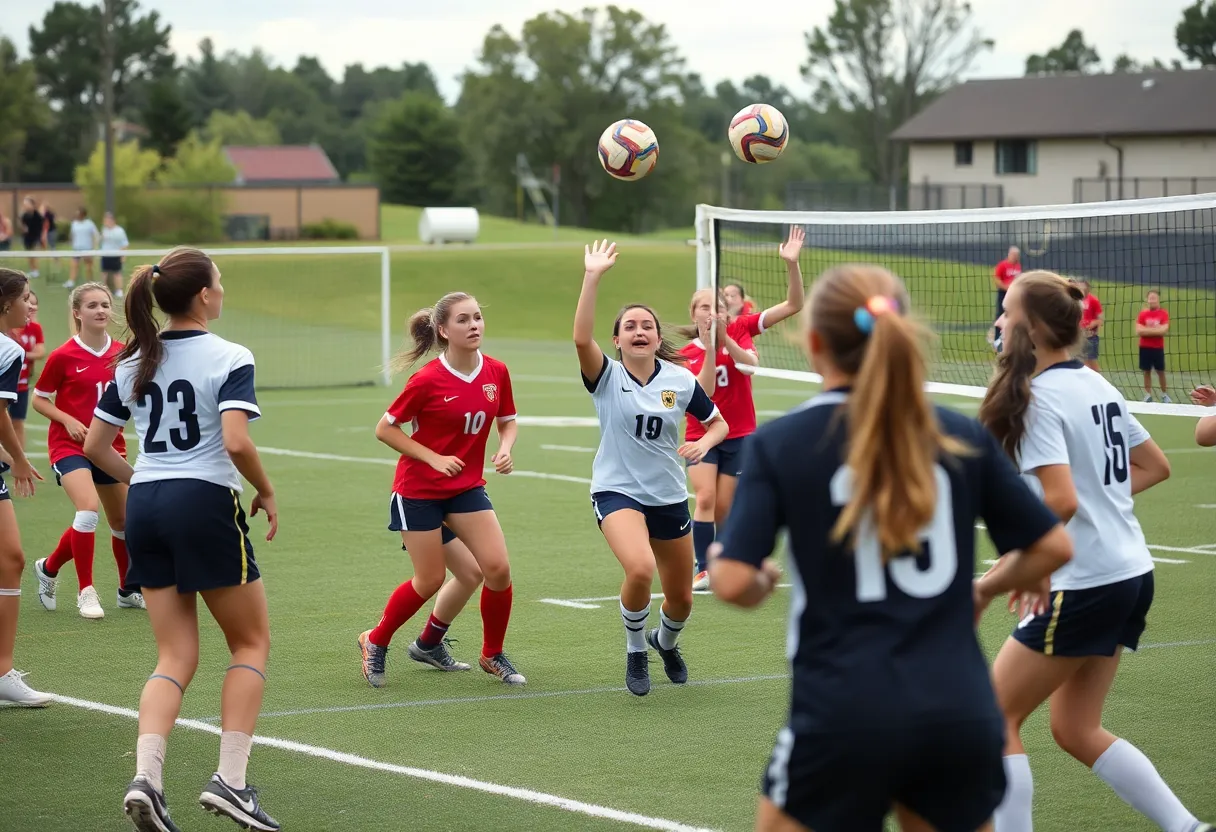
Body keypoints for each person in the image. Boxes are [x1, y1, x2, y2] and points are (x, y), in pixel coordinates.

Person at [709, 263, 1073, 832]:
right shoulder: (957, 432)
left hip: (843, 711)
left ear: (813, 343)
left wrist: (759, 577)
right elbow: (1052, 546)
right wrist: (987, 586)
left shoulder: (784, 441)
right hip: (957, 709)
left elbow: (732, 583)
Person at [977, 271, 1211, 832]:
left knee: (993, 719)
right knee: (1075, 728)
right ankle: (1187, 827)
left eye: (1007, 311)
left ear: (1030, 328)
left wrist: (995, 579)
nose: (999, 321)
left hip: (1085, 580)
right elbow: (1155, 465)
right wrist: (1095, 498)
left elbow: (1056, 503)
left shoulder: (1039, 398)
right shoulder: (1097, 385)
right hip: (1129, 572)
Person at [83, 247, 280, 832]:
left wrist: (145, 482)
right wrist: (266, 491)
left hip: (145, 504)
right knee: (250, 644)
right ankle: (233, 783)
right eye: (219, 283)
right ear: (202, 296)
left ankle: (147, 778)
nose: (222, 291)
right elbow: (237, 443)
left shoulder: (131, 359)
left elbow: (96, 447)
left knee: (174, 656)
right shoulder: (231, 354)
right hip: (203, 501)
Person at [575, 240, 729, 697]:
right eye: (630, 326)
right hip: (616, 490)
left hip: (667, 494)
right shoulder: (607, 376)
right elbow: (582, 338)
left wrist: (704, 442)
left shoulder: (680, 381)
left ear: (659, 338)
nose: (639, 331)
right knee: (640, 569)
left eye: (647, 326)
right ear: (618, 339)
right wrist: (593, 275)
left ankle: (665, 642)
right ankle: (635, 651)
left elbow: (718, 423)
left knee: (681, 599)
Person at [358, 291, 524, 689]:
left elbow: (508, 420)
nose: (474, 326)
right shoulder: (427, 379)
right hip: (418, 491)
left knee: (492, 570)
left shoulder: (496, 371)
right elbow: (385, 429)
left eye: (478, 318)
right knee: (430, 578)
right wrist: (432, 457)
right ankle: (374, 641)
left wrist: (504, 449)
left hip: (465, 488)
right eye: (464, 320)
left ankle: (483, 653)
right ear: (443, 331)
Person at [682, 226, 806, 591]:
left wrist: (791, 265)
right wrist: (708, 348)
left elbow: (793, 306)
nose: (711, 311)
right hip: (701, 435)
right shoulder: (685, 353)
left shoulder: (740, 329)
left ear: (728, 309)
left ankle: (725, 554)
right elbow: (700, 393)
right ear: (693, 313)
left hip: (740, 433)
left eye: (717, 306)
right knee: (704, 497)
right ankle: (703, 567)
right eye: (704, 306)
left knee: (725, 507)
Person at [33, 283, 142, 619]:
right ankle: (86, 592)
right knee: (88, 510)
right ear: (77, 312)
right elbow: (39, 398)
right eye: (92, 305)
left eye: (105, 305)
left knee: (123, 521)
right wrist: (66, 419)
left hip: (110, 447)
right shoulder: (63, 355)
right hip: (69, 447)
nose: (100, 310)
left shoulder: (125, 354)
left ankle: (126, 589)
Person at [0, 267, 52, 708]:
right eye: (25, 298)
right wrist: (18, 458)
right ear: (6, 304)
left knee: (11, 558)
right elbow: (0, 413)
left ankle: (2, 671)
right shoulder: (7, 349)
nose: (30, 304)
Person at [10, 290, 44, 449]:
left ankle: (18, 457)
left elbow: (40, 352)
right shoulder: (7, 326)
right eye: (27, 301)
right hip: (6, 384)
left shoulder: (34, 328)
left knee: (17, 422)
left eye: (34, 304)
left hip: (21, 385)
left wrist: (21, 354)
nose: (32, 307)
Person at [1136, 290, 1170, 403]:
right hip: (1144, 347)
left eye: (1154, 298)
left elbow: (1164, 330)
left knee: (1161, 371)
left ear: (1158, 299)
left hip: (1158, 348)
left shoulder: (1163, 313)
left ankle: (1164, 395)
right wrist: (1156, 330)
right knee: (1146, 371)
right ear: (1147, 300)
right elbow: (1139, 330)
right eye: (1150, 298)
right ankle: (1147, 395)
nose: (1152, 300)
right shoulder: (1143, 314)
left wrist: (1147, 330)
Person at [991, 245, 1021, 344]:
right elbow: (996, 279)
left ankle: (1010, 339)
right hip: (1004, 294)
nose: (1015, 257)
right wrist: (1006, 287)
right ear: (1009, 254)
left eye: (1017, 255)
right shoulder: (1002, 265)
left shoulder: (1018, 266)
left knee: (1014, 316)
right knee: (1000, 315)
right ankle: (997, 340)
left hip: (1014, 295)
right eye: (1014, 254)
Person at [67, 207, 99, 290]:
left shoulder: (90, 223)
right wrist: (71, 241)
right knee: (74, 265)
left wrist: (94, 246)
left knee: (88, 267)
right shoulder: (74, 223)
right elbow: (72, 235)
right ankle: (71, 281)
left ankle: (90, 283)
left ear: (83, 215)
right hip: (76, 248)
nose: (77, 215)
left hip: (87, 248)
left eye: (79, 214)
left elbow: (96, 235)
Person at [100, 212, 129, 299]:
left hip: (116, 255)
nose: (106, 222)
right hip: (105, 255)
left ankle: (119, 290)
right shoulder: (104, 230)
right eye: (105, 220)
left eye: (108, 220)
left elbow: (125, 244)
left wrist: (123, 256)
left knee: (117, 273)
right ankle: (103, 290)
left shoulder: (119, 231)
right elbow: (101, 241)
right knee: (104, 273)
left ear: (113, 220)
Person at [1077, 278, 1103, 373]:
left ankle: (1099, 381)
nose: (1081, 288)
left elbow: (1100, 319)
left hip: (1090, 336)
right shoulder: (1075, 300)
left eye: (1082, 286)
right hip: (1079, 336)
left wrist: (1094, 323)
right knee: (1082, 362)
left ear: (1087, 287)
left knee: (1092, 362)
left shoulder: (1093, 300)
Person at [21, 196, 45, 279]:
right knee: (29, 255)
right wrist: (24, 229)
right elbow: (23, 225)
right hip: (27, 238)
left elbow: (41, 227)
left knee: (35, 254)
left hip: (36, 237)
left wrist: (42, 237)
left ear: (32, 204)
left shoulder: (38, 216)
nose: (26, 206)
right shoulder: (24, 215)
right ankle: (32, 270)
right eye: (25, 204)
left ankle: (36, 271)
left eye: (27, 204)